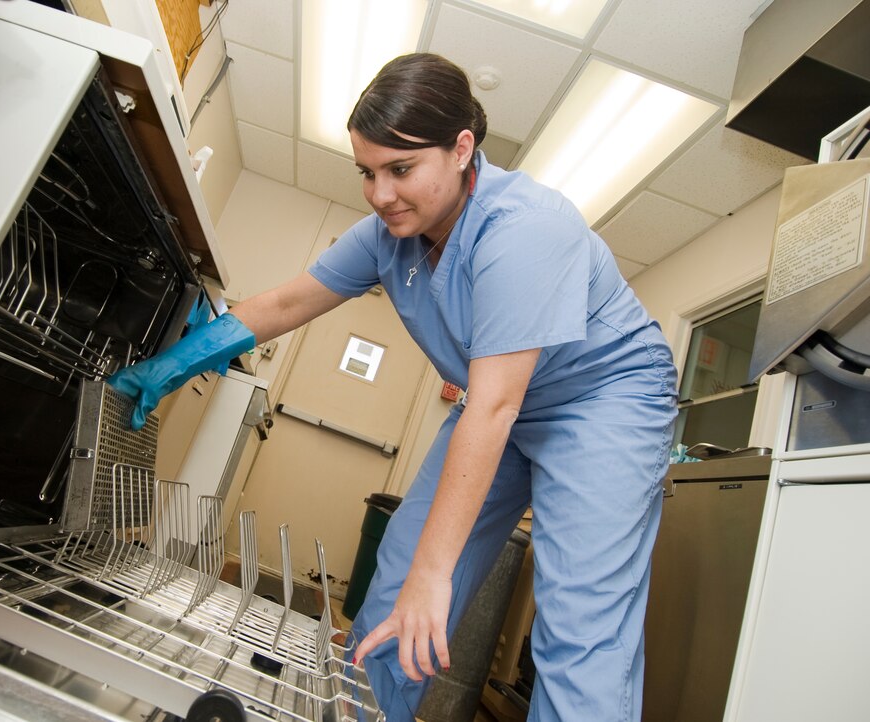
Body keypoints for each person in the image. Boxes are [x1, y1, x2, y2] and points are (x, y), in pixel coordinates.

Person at [109, 53, 678, 722]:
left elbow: (493, 406)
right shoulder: (388, 237)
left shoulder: (526, 229)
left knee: (579, 624)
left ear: (462, 149)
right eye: (368, 173)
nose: (381, 194)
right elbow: (289, 303)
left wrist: (440, 578)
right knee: (402, 577)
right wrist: (175, 361)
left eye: (401, 170)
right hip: (501, 408)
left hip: (603, 402)